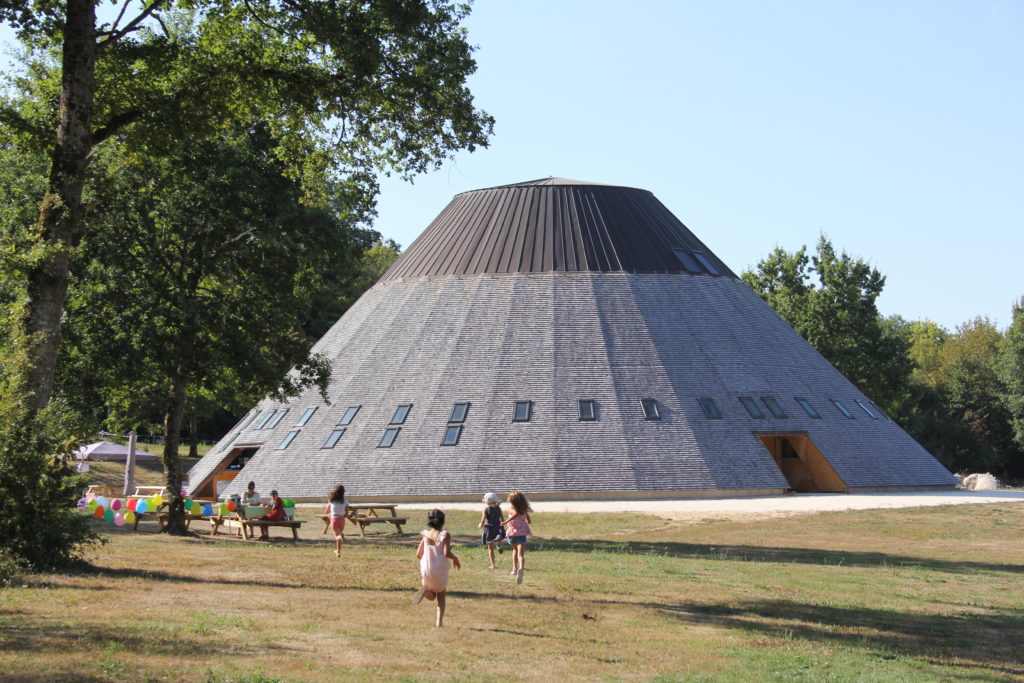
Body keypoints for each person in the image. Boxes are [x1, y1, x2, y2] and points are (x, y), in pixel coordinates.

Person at [413, 509, 461, 627]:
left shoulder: (426, 535)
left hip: (426, 569)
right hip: (438, 569)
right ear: (443, 521)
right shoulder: (445, 535)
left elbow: (418, 554)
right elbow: (446, 553)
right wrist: (455, 558)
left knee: (432, 593)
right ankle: (439, 622)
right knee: (441, 596)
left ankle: (428, 592)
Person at [501, 490, 532, 584]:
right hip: (522, 534)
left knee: (514, 550)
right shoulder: (524, 510)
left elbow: (514, 515)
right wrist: (524, 522)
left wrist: (505, 522)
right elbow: (529, 521)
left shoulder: (511, 509)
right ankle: (521, 568)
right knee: (521, 555)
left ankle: (514, 569)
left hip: (512, 534)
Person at [477, 492, 505, 569]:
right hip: (497, 527)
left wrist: (480, 525)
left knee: (490, 548)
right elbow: (502, 519)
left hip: (489, 528)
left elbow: (483, 520)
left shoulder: (486, 509)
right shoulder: (499, 508)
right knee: (497, 538)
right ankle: (498, 544)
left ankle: (493, 565)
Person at [323, 483, 349, 557]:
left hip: (334, 520)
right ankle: (338, 551)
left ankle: (338, 549)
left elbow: (326, 511)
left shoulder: (331, 501)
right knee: (338, 535)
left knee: (337, 536)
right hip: (342, 520)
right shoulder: (345, 501)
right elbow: (347, 512)